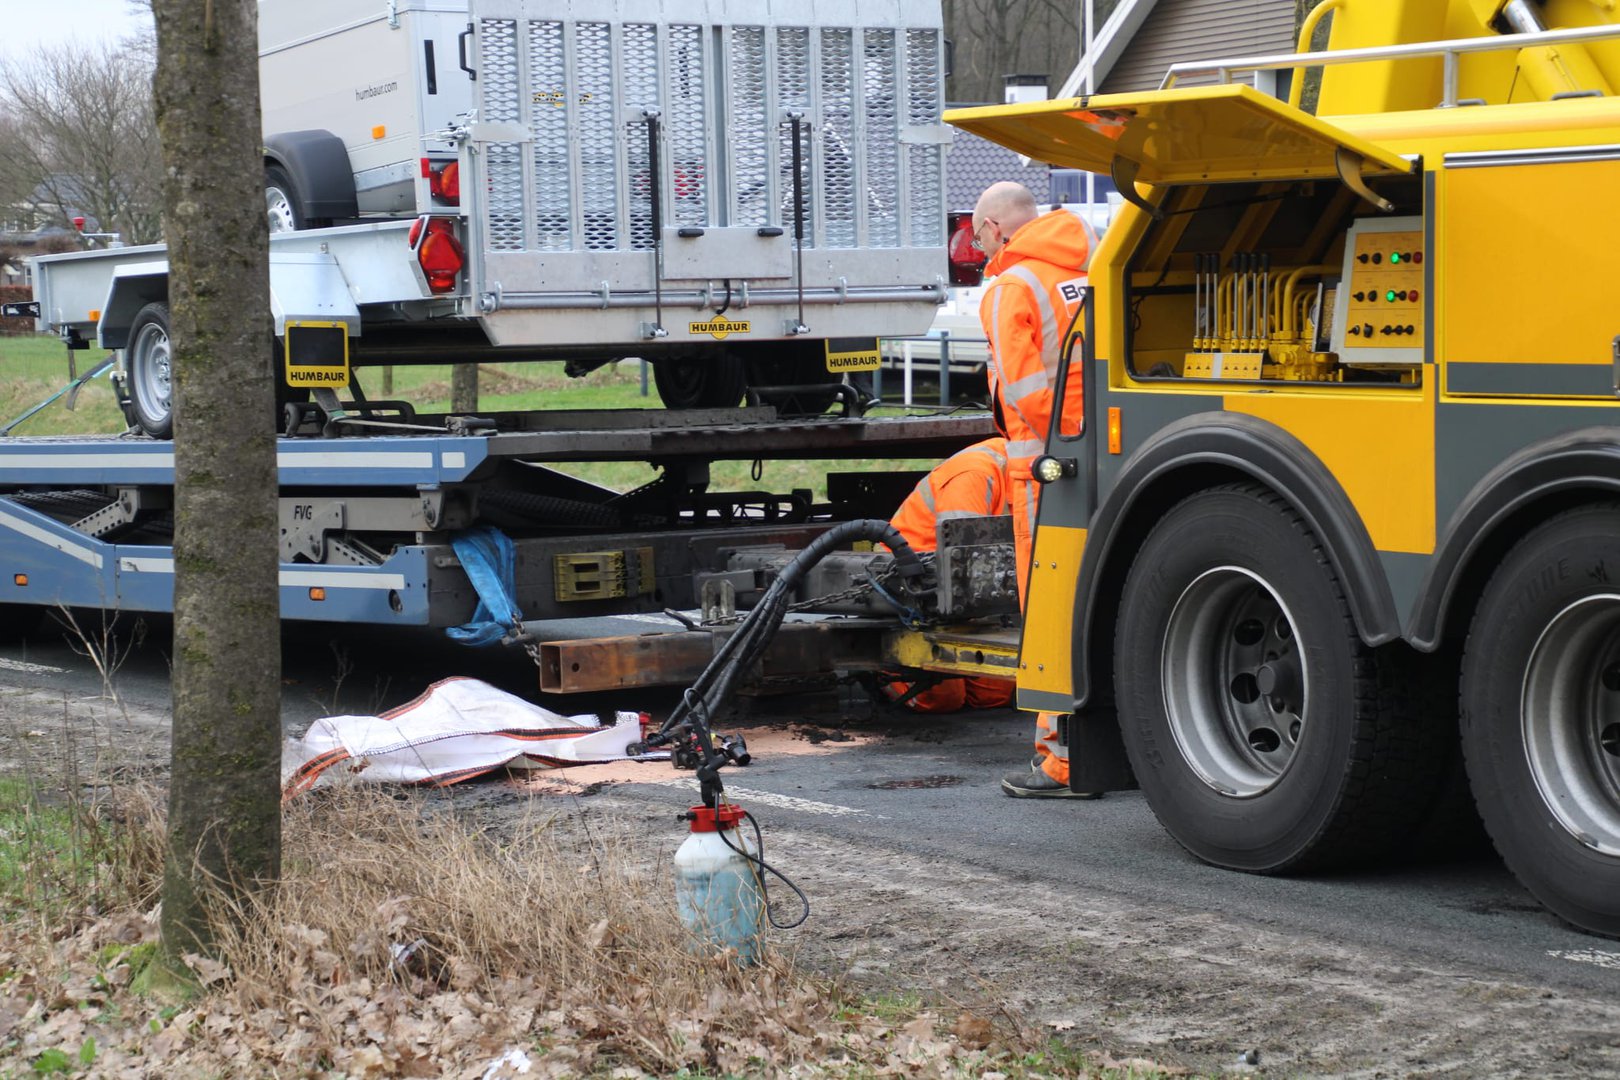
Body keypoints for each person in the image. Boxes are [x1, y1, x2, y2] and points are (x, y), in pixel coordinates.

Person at [971, 181, 1095, 799]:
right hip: (1100, 455)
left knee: (1049, 611)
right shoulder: (1085, 271)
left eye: (977, 235)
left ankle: (1062, 762)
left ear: (994, 229)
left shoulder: (1010, 287)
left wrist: (1058, 441)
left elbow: (1021, 392)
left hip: (1043, 470)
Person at [884, 437, 1017, 713]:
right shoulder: (975, 474)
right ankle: (886, 671)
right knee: (940, 701)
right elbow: (963, 566)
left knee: (993, 696)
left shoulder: (1021, 475)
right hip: (916, 588)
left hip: (974, 595)